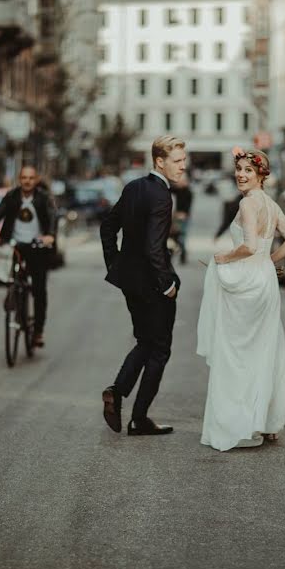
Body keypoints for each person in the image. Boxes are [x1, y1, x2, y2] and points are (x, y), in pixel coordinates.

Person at [196, 147, 285, 451]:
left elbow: (249, 246)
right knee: (265, 350)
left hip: (245, 281)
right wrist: (270, 261)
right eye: (239, 169)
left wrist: (224, 257)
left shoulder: (247, 205)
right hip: (264, 282)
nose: (241, 175)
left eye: (248, 171)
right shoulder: (271, 204)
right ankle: (266, 422)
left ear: (260, 176)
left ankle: (238, 423)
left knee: (236, 355)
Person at [99, 135, 185, 437]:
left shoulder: (134, 187)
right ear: (160, 161)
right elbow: (153, 247)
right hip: (152, 284)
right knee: (160, 349)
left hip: (130, 282)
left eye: (184, 161)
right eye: (177, 161)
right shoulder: (161, 195)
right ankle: (138, 418)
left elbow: (108, 226)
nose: (183, 167)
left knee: (145, 342)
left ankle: (118, 392)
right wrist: (166, 284)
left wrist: (116, 264)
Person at [0, 165, 57, 348]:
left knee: (39, 290)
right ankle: (13, 294)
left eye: (31, 178)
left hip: (37, 247)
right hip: (15, 246)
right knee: (13, 279)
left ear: (36, 180)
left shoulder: (43, 198)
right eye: (24, 178)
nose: (27, 181)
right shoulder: (12, 196)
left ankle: (38, 331)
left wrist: (50, 235)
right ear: (19, 179)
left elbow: (52, 216)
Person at [170, 175, 194, 264]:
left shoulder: (189, 192)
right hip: (175, 217)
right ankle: (173, 253)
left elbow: (188, 206)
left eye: (182, 180)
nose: (179, 182)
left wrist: (183, 214)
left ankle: (183, 255)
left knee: (181, 237)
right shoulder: (177, 190)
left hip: (184, 217)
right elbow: (168, 187)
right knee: (173, 236)